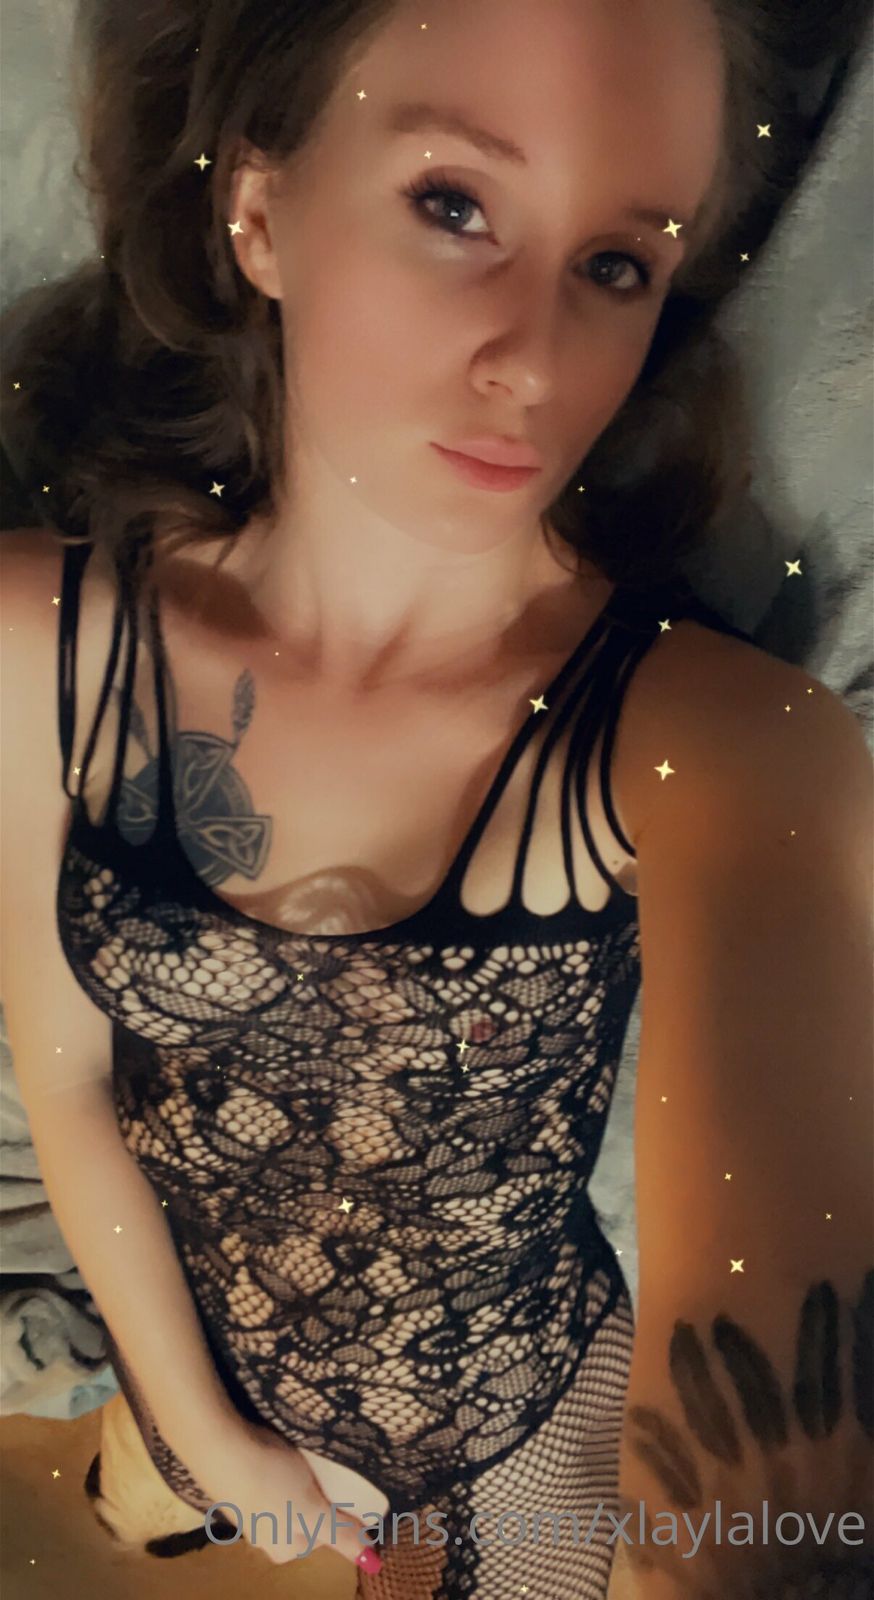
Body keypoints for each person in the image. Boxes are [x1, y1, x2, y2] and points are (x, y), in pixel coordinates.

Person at [2, 2, 871, 1598]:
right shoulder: (34, 645)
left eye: (616, 263)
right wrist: (208, 1436)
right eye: (452, 203)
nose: (535, 363)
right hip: (197, 1379)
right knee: (121, 1515)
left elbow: (770, 1491)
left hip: (521, 1433)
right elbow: (65, 1081)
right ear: (258, 211)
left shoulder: (722, 748)